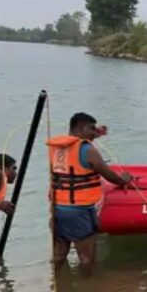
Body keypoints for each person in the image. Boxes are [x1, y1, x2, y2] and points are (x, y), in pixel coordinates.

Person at [47, 112, 132, 273]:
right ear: (81, 127)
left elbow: (75, 149)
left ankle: (58, 289)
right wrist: (124, 179)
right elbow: (109, 175)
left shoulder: (56, 147)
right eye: (92, 128)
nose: (94, 132)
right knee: (87, 259)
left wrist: (95, 133)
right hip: (78, 212)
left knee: (59, 255)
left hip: (57, 208)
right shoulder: (88, 150)